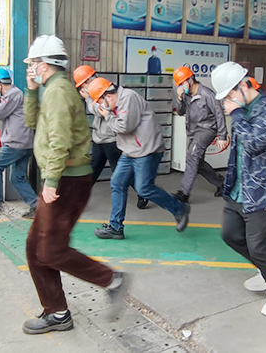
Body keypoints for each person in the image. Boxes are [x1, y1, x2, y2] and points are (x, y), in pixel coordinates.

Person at [19, 35, 127, 334]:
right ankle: (57, 312)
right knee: (35, 249)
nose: (30, 68)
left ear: (44, 64)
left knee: (49, 251)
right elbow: (33, 123)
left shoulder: (59, 92)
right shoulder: (52, 90)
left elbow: (60, 141)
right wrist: (31, 91)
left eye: (33, 63)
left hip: (67, 179)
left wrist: (51, 181)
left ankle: (112, 280)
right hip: (61, 177)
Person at [211, 62, 266, 318]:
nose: (227, 101)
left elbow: (254, 143)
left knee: (259, 245)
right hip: (240, 189)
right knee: (230, 235)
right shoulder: (243, 108)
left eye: (229, 94)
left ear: (243, 85)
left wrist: (236, 114)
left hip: (264, 190)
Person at [87, 76, 191, 239]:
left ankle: (179, 209)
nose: (100, 107)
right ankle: (116, 227)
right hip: (130, 151)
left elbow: (124, 126)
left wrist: (107, 116)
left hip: (147, 150)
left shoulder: (128, 98)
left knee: (144, 188)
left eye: (99, 102)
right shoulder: (114, 102)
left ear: (108, 96)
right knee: (117, 183)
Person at [73, 65, 148, 210]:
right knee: (93, 169)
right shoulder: (96, 88)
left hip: (111, 139)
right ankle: (79, 198)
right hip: (99, 138)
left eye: (82, 84)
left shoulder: (105, 89)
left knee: (120, 171)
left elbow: (100, 111)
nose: (82, 88)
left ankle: (143, 192)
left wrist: (88, 99)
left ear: (88, 80)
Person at [0, 68, 38, 219]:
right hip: (24, 143)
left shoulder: (13, 94)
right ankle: (36, 206)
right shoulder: (13, 95)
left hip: (16, 143)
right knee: (17, 177)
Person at [172, 66, 228, 203]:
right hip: (193, 131)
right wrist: (179, 98)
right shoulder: (186, 95)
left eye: (182, 83)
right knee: (198, 162)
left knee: (192, 157)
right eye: (179, 84)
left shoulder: (207, 94)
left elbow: (219, 114)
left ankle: (184, 193)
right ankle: (222, 183)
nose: (180, 87)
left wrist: (222, 136)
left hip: (207, 130)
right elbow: (180, 112)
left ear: (191, 80)